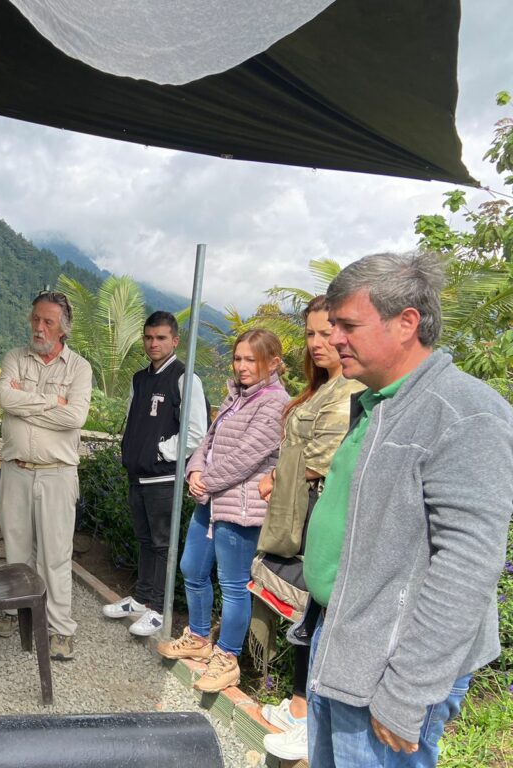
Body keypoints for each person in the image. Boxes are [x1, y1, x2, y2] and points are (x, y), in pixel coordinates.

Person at [298, 251, 513, 767]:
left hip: (390, 666)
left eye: (348, 325)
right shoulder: (376, 402)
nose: (333, 340)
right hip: (344, 640)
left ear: (406, 323)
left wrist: (407, 693)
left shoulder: (465, 414)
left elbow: (466, 569)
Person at [249, 296, 365, 762]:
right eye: (311, 334)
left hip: (318, 512)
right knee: (304, 617)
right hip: (300, 511)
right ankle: (299, 707)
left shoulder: (352, 390)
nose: (319, 343)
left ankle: (308, 718)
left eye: (327, 333)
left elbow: (323, 457)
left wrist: (275, 477)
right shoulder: (322, 388)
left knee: (315, 616)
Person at [156, 329, 290, 692]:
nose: (243, 366)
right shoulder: (237, 397)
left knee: (233, 585)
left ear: (273, 362)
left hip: (241, 509)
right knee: (192, 568)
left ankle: (227, 657)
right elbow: (208, 440)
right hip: (211, 501)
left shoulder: (275, 402)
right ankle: (199, 637)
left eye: (252, 360)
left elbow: (248, 455)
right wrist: (194, 470)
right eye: (238, 358)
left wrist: (207, 480)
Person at [0, 290, 93, 661]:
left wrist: (27, 405)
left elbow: (75, 418)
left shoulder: (79, 368)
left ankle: (61, 630)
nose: (39, 327)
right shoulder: (15, 358)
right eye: (35, 319)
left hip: (57, 474)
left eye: (48, 321)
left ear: (62, 328)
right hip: (16, 470)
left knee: (55, 555)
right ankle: (16, 612)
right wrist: (54, 403)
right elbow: (6, 399)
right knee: (16, 549)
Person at [101, 311, 208, 637]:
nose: (153, 343)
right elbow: (136, 421)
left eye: (161, 338)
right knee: (145, 540)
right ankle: (142, 599)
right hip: (137, 475)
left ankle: (160, 610)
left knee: (163, 544)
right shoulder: (140, 378)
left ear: (175, 340)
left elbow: (196, 432)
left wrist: (160, 452)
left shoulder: (184, 377)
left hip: (162, 478)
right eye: (148, 337)